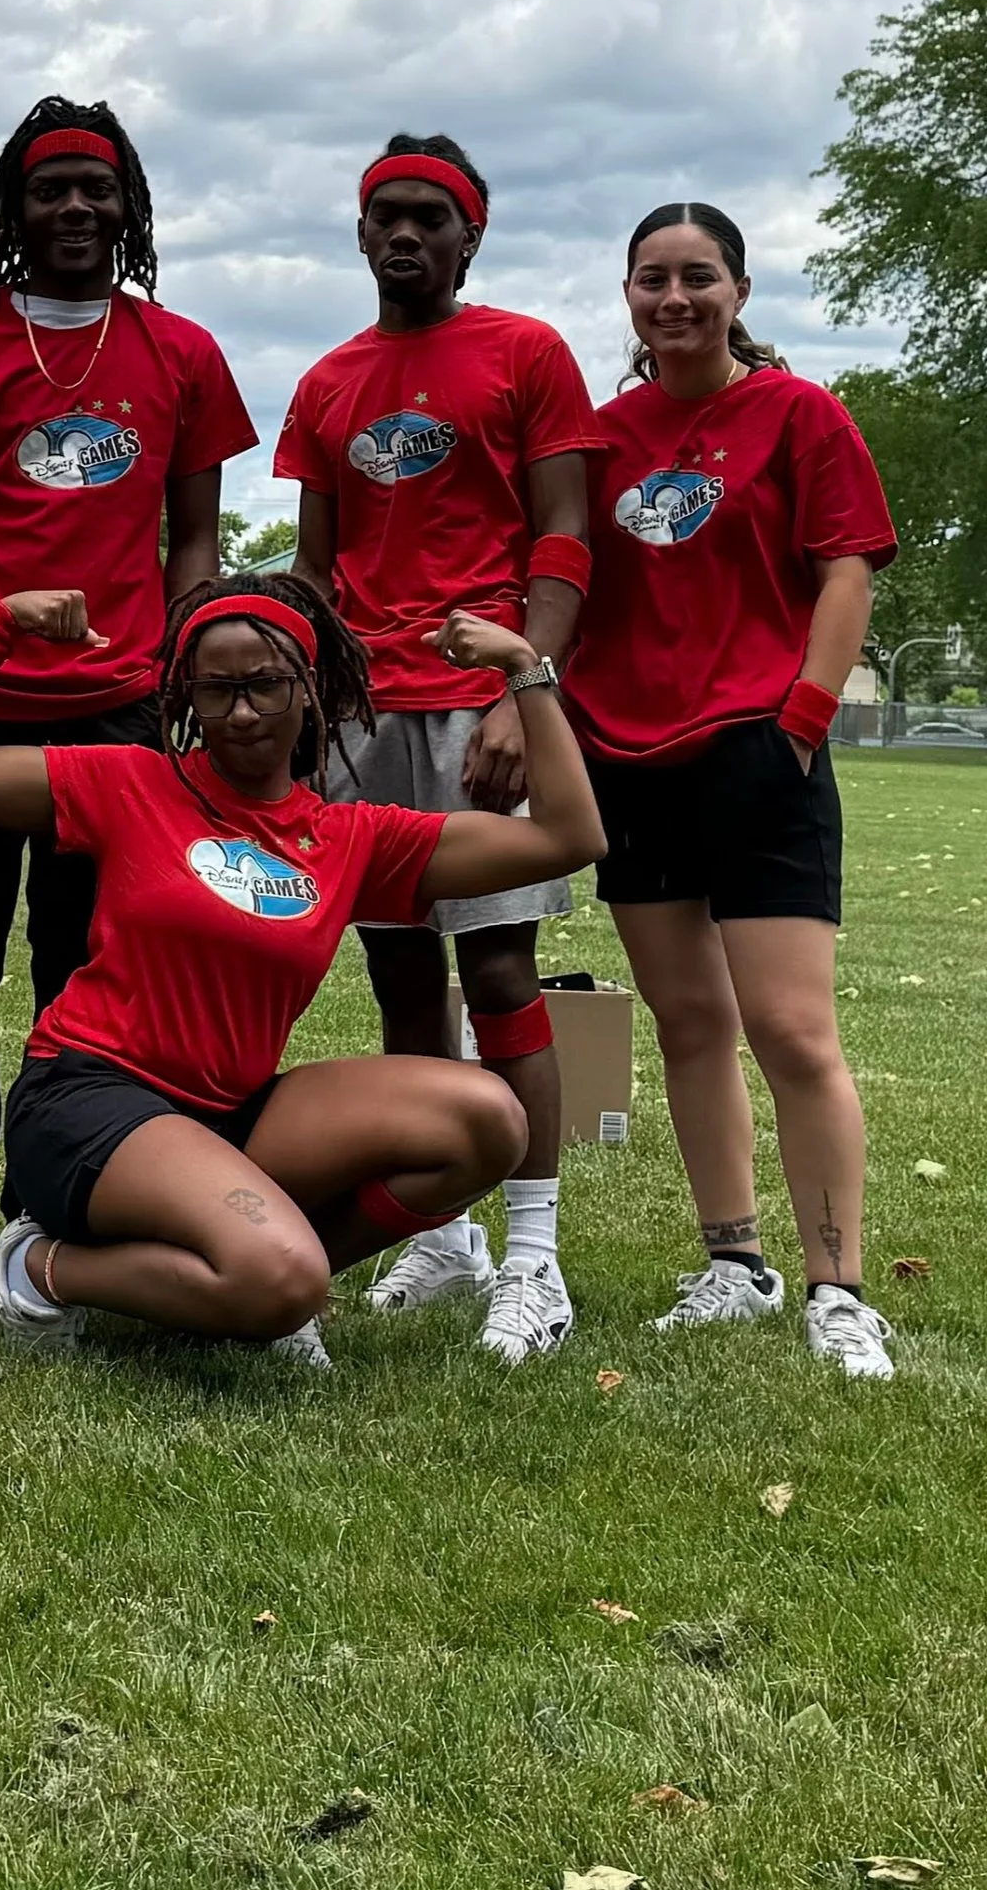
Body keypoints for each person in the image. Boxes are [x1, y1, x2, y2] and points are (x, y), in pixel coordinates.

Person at [0, 572, 603, 1362]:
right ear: (188, 698)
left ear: (310, 690)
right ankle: (42, 1266)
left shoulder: (350, 836)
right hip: (88, 1098)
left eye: (265, 684)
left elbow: (570, 837)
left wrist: (524, 668)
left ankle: (251, 1272)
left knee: (487, 1120)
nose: (243, 711)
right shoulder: (130, 780)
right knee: (282, 1283)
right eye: (217, 689)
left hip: (234, 1114)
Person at [0, 99, 257, 1279]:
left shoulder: (179, 351)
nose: (77, 208)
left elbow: (193, 539)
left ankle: (61, 1207)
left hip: (119, 718)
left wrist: (183, 675)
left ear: (128, 207)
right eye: (52, 190)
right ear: (13, 209)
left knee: (91, 979)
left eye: (98, 189)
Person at [276, 134, 604, 1363]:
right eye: (385, 217)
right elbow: (317, 567)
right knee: (401, 979)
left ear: (471, 237)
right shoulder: (326, 382)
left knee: (503, 974)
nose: (405, 235)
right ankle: (441, 1233)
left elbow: (566, 540)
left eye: (431, 217)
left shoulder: (524, 353)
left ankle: (535, 1256)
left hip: (480, 705)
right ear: (360, 234)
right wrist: (305, 692)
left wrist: (526, 689)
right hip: (362, 720)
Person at [562, 202, 899, 1379]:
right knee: (687, 1025)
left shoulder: (798, 413)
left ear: (740, 293)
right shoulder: (598, 440)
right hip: (627, 758)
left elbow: (845, 567)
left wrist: (802, 718)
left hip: (759, 751)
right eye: (650, 279)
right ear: (628, 297)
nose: (673, 299)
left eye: (697, 278)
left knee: (793, 1032)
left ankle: (838, 1290)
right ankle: (732, 1266)